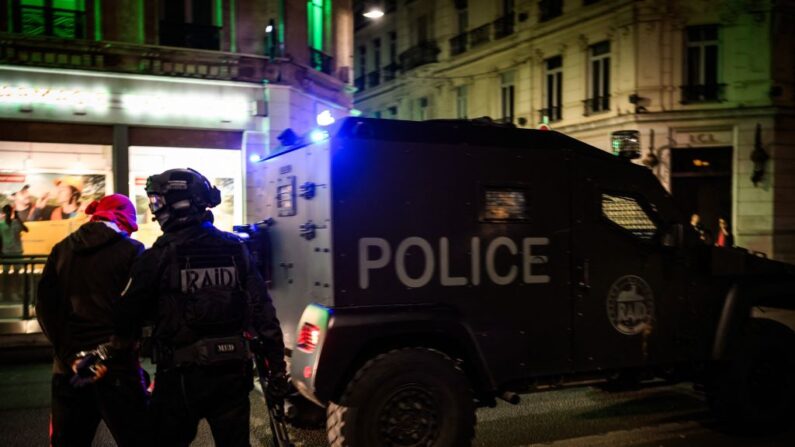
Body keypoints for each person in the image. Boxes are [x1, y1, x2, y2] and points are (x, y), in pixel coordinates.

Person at [80, 168, 287, 446]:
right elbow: (264, 313)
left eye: (158, 203)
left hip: (179, 381)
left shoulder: (159, 256)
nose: (155, 211)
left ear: (180, 203)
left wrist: (114, 352)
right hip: (232, 376)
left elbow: (125, 314)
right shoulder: (237, 250)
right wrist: (276, 371)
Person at [36, 194, 148, 446]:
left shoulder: (61, 249)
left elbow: (45, 308)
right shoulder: (132, 251)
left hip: (69, 371)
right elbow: (138, 308)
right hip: (117, 368)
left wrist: (70, 357)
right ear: (124, 222)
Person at [0, 204, 29, 301]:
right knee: (5, 273)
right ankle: (5, 293)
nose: (8, 213)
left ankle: (16, 292)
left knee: (17, 273)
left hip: (17, 251)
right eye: (6, 211)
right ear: (4, 212)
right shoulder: (1, 225)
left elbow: (26, 230)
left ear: (11, 211)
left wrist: (18, 218)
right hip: (6, 252)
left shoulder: (16, 223)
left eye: (9, 211)